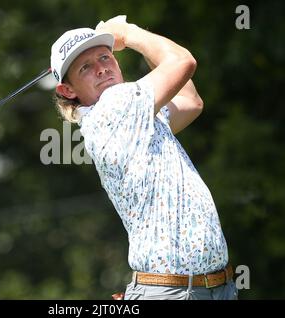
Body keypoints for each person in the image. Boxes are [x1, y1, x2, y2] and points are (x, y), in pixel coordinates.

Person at [50, 16, 237, 300]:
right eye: (86, 67)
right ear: (68, 90)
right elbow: (183, 62)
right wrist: (130, 33)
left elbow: (190, 102)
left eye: (105, 57)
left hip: (212, 288)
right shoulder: (114, 108)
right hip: (172, 292)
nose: (101, 69)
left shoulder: (136, 113)